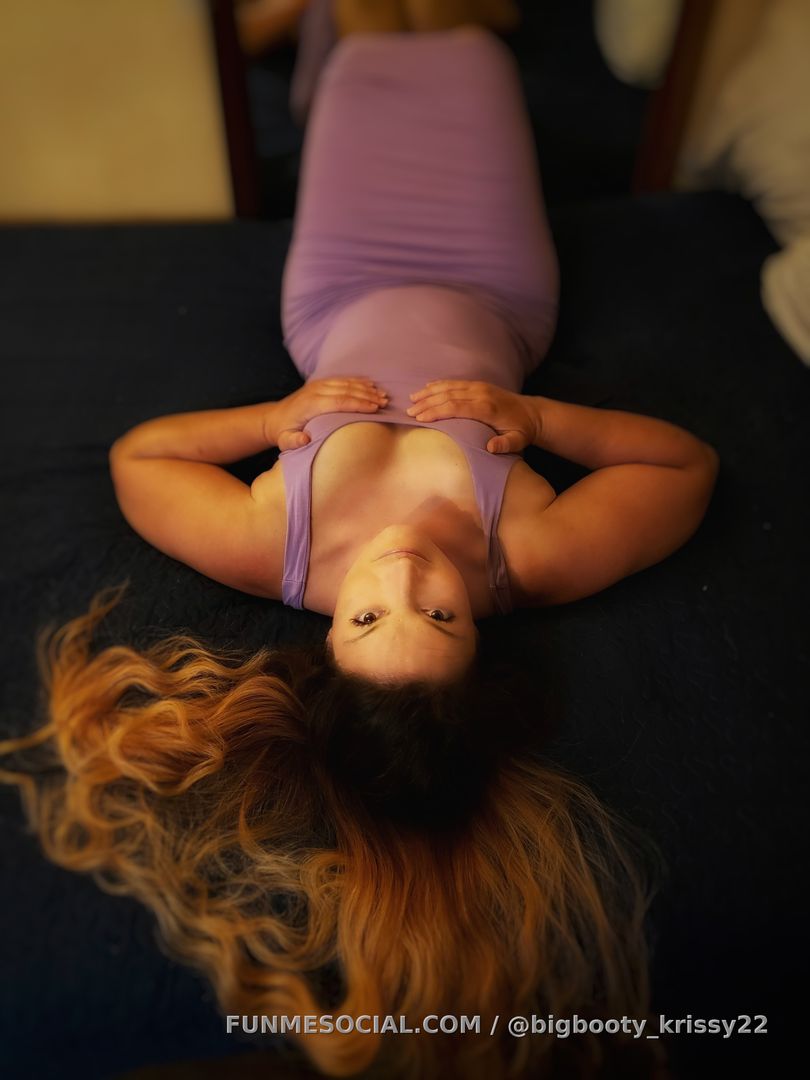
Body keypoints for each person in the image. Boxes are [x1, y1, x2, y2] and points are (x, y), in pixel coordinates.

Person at [0, 9, 702, 1078]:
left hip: (340, 281)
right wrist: (544, 421)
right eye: (442, 616)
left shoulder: (275, 551)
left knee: (376, 45)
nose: (406, 575)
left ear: (327, 646)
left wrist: (268, 419)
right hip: (494, 281)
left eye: (372, 618)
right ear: (482, 639)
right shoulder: (527, 558)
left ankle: (325, 25)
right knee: (465, 47)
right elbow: (684, 469)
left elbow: (139, 460)